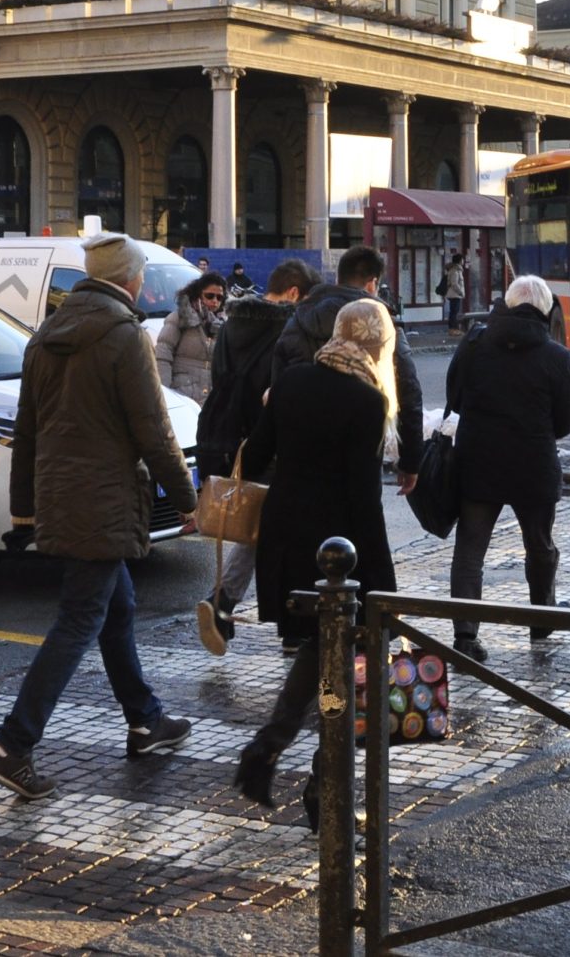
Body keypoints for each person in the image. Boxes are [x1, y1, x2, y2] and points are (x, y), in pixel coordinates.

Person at [0, 233, 198, 799]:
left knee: (117, 607)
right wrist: (190, 499)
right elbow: (154, 430)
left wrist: (24, 510)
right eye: (141, 275)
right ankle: (13, 745)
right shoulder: (124, 336)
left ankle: (145, 721)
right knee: (80, 620)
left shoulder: (44, 337)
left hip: (60, 497)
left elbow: (25, 431)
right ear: (128, 280)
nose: (143, 283)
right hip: (103, 502)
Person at [231, 299, 404, 820]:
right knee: (343, 672)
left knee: (318, 654)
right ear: (378, 343)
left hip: (286, 547)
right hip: (340, 558)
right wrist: (384, 582)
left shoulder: (291, 383)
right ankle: (323, 787)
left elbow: (256, 456)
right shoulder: (367, 402)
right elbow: (363, 502)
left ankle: (271, 748)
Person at [444, 275, 570, 657]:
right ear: (545, 311)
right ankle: (542, 620)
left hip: (478, 462)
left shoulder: (473, 344)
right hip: (533, 465)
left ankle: (465, 636)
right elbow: (564, 424)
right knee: (539, 545)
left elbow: (453, 396)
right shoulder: (557, 357)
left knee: (470, 549)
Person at [193, 257, 318, 650]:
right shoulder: (289, 329)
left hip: (233, 438)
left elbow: (219, 378)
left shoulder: (231, 327)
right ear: (295, 293)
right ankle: (266, 616)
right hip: (273, 439)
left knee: (257, 525)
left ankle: (234, 607)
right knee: (281, 531)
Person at [270, 244, 426, 548]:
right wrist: (410, 461)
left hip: (301, 459)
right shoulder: (380, 325)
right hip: (360, 458)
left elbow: (277, 390)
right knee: (360, 544)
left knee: (305, 544)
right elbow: (408, 390)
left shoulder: (298, 319)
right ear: (371, 284)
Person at [153, 271, 225, 405]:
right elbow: (163, 354)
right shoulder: (180, 317)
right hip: (182, 394)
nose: (215, 301)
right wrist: (165, 393)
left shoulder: (223, 325)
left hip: (211, 398)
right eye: (210, 296)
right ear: (198, 294)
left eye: (219, 297)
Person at [438, 254, 468, 331]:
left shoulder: (456, 270)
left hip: (454, 294)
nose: (463, 261)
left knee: (454, 312)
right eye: (462, 259)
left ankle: (453, 328)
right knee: (454, 312)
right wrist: (461, 292)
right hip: (455, 295)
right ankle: (453, 328)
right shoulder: (455, 271)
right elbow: (454, 283)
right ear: (460, 261)